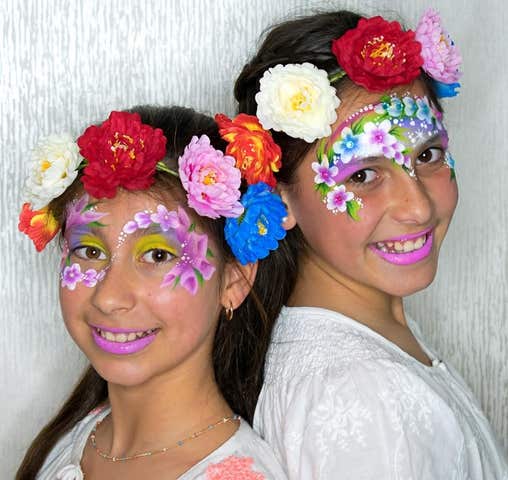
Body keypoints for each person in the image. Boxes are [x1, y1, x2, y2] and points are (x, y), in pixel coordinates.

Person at [234, 8, 508, 479]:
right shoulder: (361, 398)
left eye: (428, 154)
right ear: (280, 200)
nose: (417, 207)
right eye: (362, 175)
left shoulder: (366, 344)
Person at [15, 105, 290, 479]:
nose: (109, 298)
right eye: (90, 251)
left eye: (158, 255)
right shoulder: (75, 437)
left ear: (234, 281)